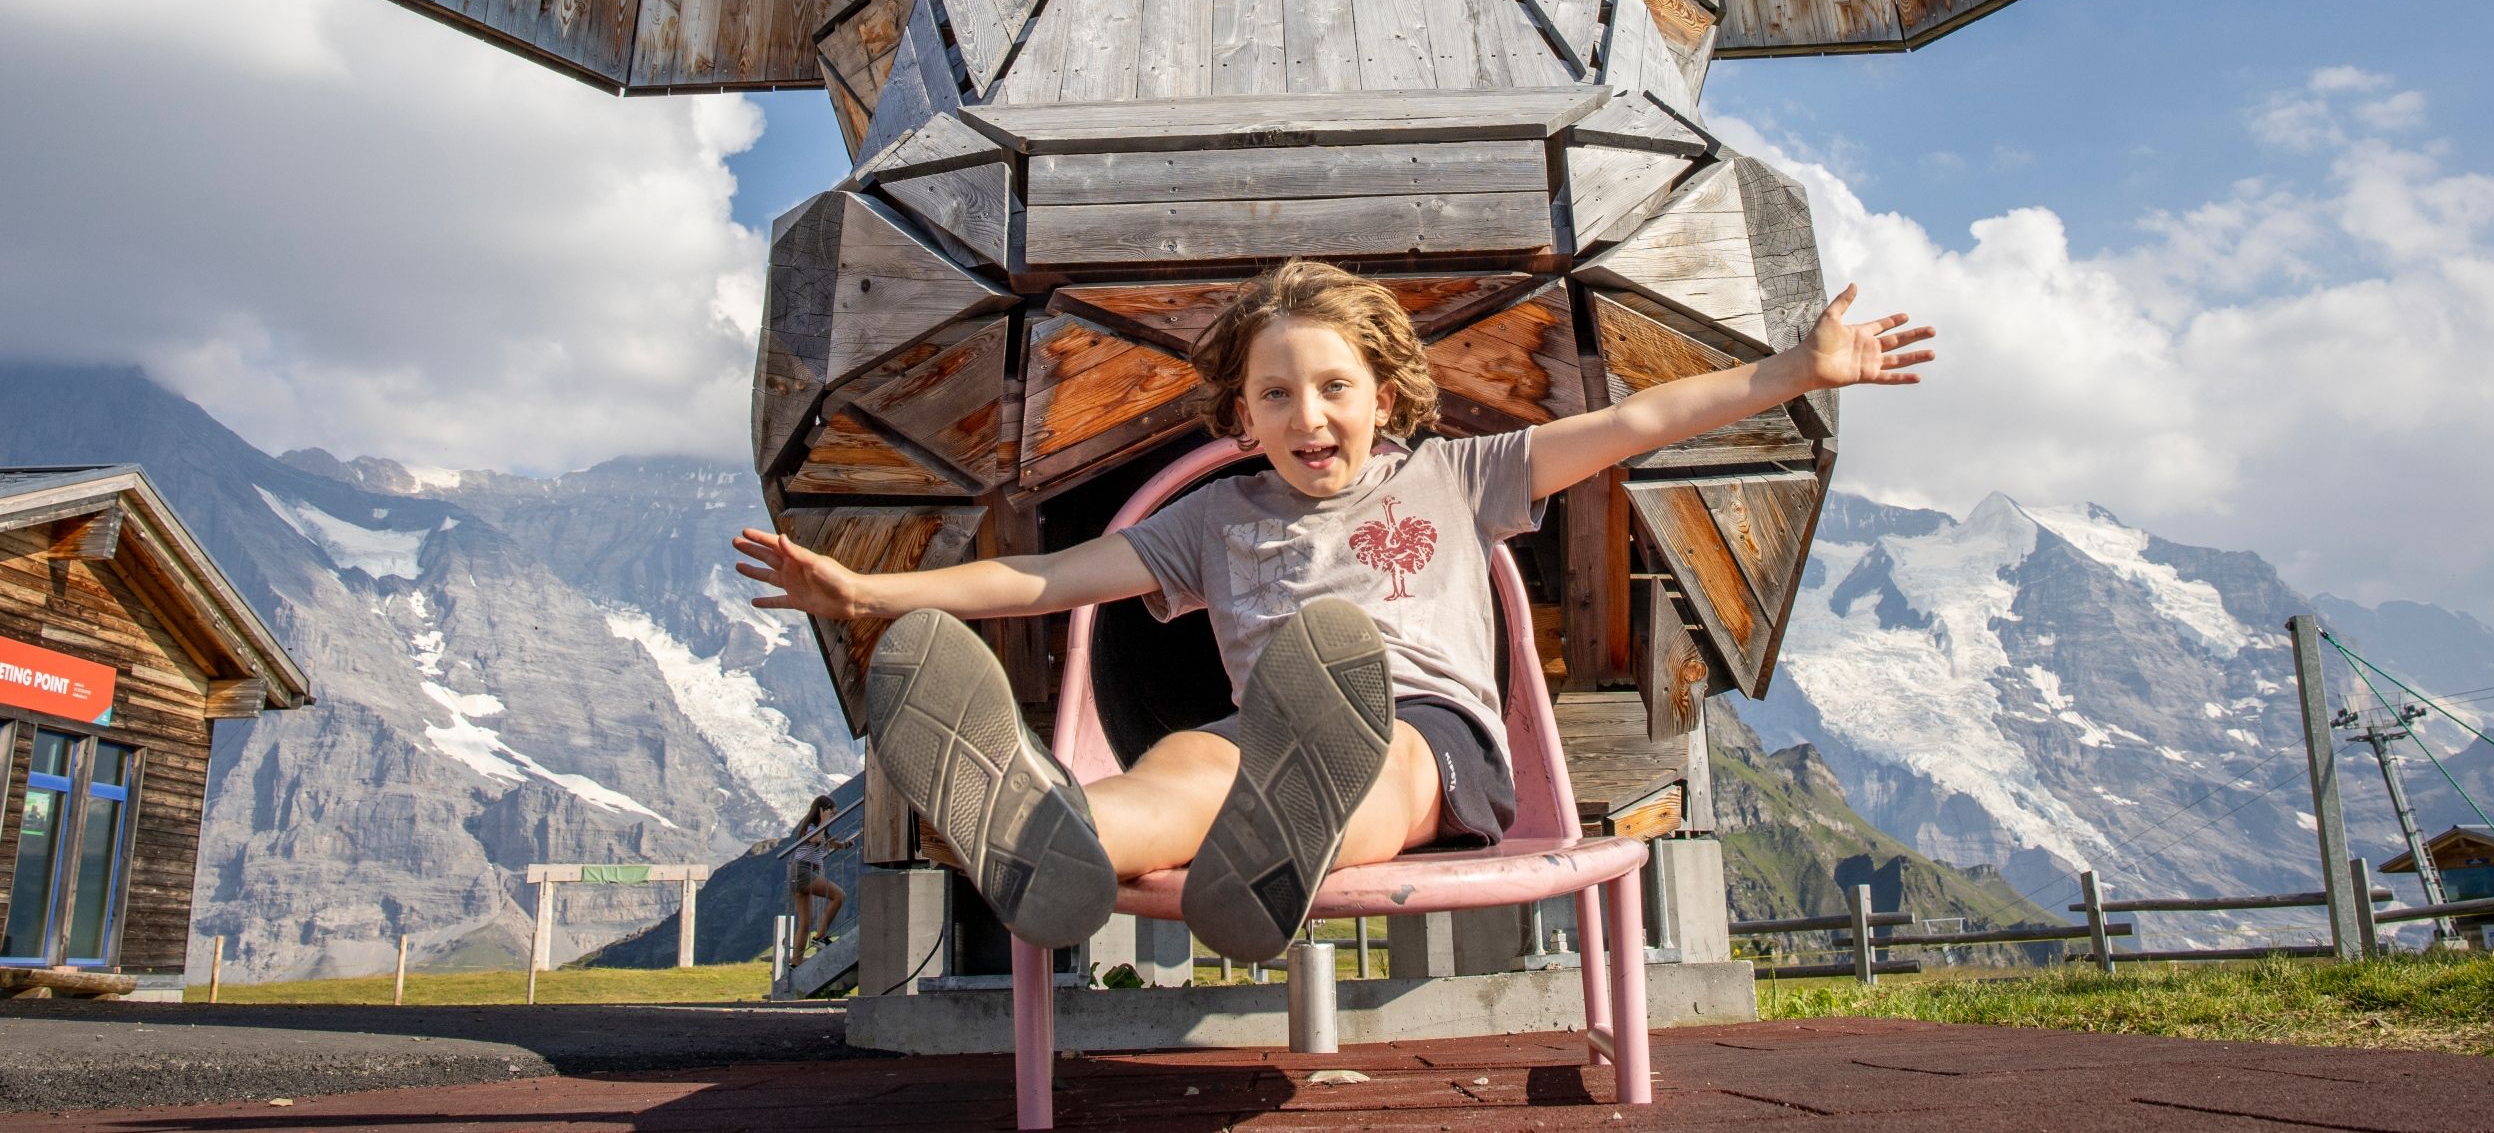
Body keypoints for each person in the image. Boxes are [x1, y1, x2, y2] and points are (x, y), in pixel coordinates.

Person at [735, 259, 1931, 961]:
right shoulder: (1213, 521)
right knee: (1178, 776)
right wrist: (869, 590)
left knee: (1373, 752)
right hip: (1265, 733)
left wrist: (1793, 372)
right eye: (1275, 394)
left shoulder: (1460, 474)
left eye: (1332, 388)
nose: (1307, 415)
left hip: (1426, 739)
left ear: (1384, 393)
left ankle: (1278, 847)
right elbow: (1049, 578)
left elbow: (1634, 424)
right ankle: (1049, 846)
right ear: (1238, 416)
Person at [785, 792, 847, 951]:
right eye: (831, 814)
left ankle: (795, 962)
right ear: (821, 811)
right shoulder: (811, 827)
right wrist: (824, 821)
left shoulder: (819, 829)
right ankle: (820, 936)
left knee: (805, 922)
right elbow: (815, 840)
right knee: (839, 895)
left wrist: (843, 845)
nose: (832, 818)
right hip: (804, 871)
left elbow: (827, 842)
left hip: (803, 871)